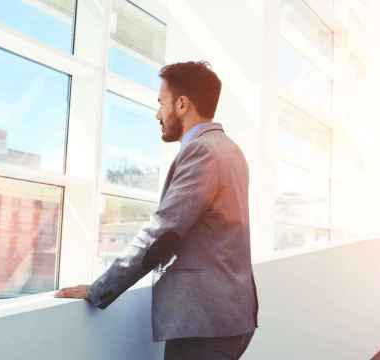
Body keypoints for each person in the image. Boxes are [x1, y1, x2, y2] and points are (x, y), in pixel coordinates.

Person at [55, 61, 259, 360]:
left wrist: (101, 289)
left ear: (182, 104)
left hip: (204, 321)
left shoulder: (202, 151)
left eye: (161, 103)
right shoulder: (229, 148)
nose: (157, 114)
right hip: (229, 313)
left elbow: (163, 232)